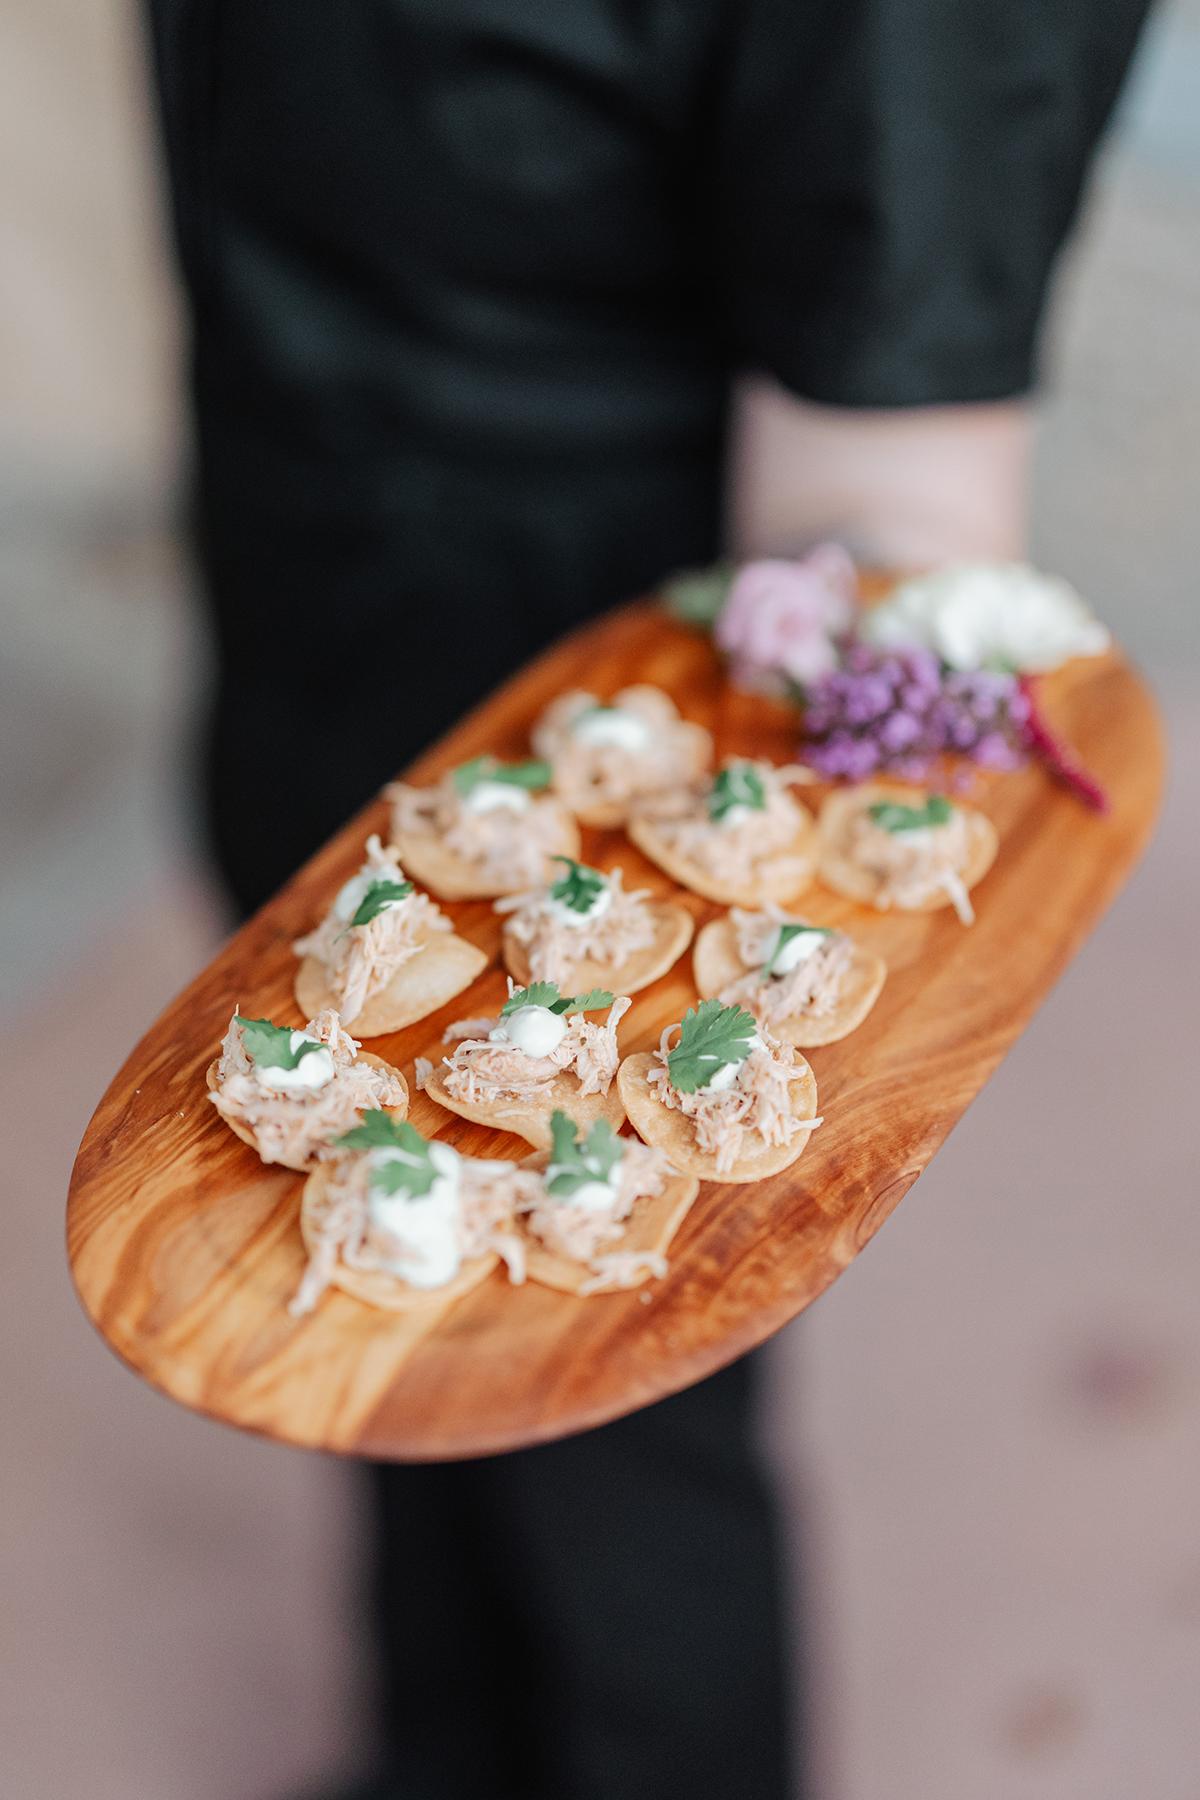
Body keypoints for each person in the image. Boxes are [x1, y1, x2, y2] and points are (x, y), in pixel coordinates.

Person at [145, 4, 1150, 1795]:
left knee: (606, 1454)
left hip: (608, 707)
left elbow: (882, 488)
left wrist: (660, 944)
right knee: (382, 1330)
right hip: (305, 549)